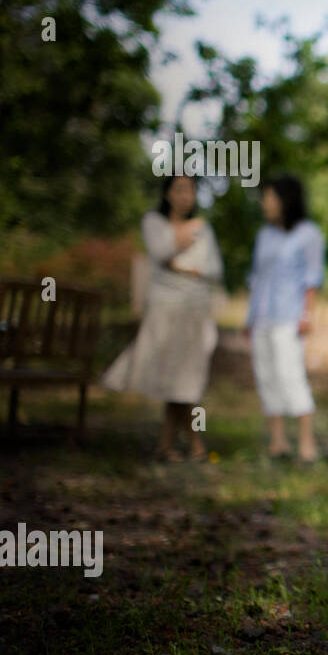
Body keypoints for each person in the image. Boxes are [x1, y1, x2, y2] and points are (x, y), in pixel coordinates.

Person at [103, 173, 223, 461]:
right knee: (178, 380)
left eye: (190, 190)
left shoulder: (203, 229)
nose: (185, 196)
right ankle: (187, 446)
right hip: (164, 310)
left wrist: (181, 266)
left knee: (184, 379)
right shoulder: (154, 222)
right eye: (179, 189)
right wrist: (185, 251)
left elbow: (214, 270)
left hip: (194, 310)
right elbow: (161, 253)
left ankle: (170, 445)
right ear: (167, 193)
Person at [245, 175, 326, 462]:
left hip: (288, 317)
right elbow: (256, 278)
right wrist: (249, 317)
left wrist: (307, 315)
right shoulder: (264, 236)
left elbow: (312, 278)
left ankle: (307, 444)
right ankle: (277, 442)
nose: (265, 203)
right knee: (266, 376)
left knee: (291, 376)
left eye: (270, 197)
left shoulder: (309, 234)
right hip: (263, 318)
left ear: (285, 200)